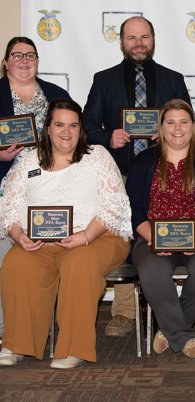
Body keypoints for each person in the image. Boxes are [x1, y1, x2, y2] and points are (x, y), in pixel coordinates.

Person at [0, 99, 132, 368]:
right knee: (16, 262)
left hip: (98, 238)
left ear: (81, 129)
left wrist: (84, 237)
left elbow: (113, 206)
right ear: (47, 128)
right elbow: (9, 206)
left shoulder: (97, 156)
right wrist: (18, 235)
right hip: (40, 242)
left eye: (73, 125)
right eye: (59, 124)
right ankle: (16, 344)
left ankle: (74, 348)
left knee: (77, 263)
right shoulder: (29, 159)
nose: (66, 131)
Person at [82, 16, 191, 338]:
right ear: (122, 42)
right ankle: (125, 312)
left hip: (165, 173)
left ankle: (164, 307)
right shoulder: (104, 80)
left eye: (144, 37)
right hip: (121, 173)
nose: (138, 43)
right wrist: (107, 137)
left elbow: (188, 119)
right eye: (132, 38)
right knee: (126, 236)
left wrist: (169, 133)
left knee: (161, 236)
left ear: (153, 39)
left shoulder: (173, 79)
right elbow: (87, 123)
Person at [127, 99, 195, 359]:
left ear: (193, 126)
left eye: (184, 122)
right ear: (161, 127)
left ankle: (169, 330)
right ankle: (182, 336)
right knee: (151, 270)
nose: (177, 128)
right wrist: (154, 240)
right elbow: (135, 211)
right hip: (151, 238)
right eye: (170, 122)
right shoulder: (144, 160)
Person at [0, 36, 71, 346]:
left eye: (30, 55)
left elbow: (74, 138)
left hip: (48, 191)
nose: (24, 60)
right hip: (4, 189)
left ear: (38, 61)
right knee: (5, 258)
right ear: (6, 62)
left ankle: (32, 326)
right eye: (17, 55)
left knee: (36, 259)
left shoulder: (56, 95)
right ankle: (5, 328)